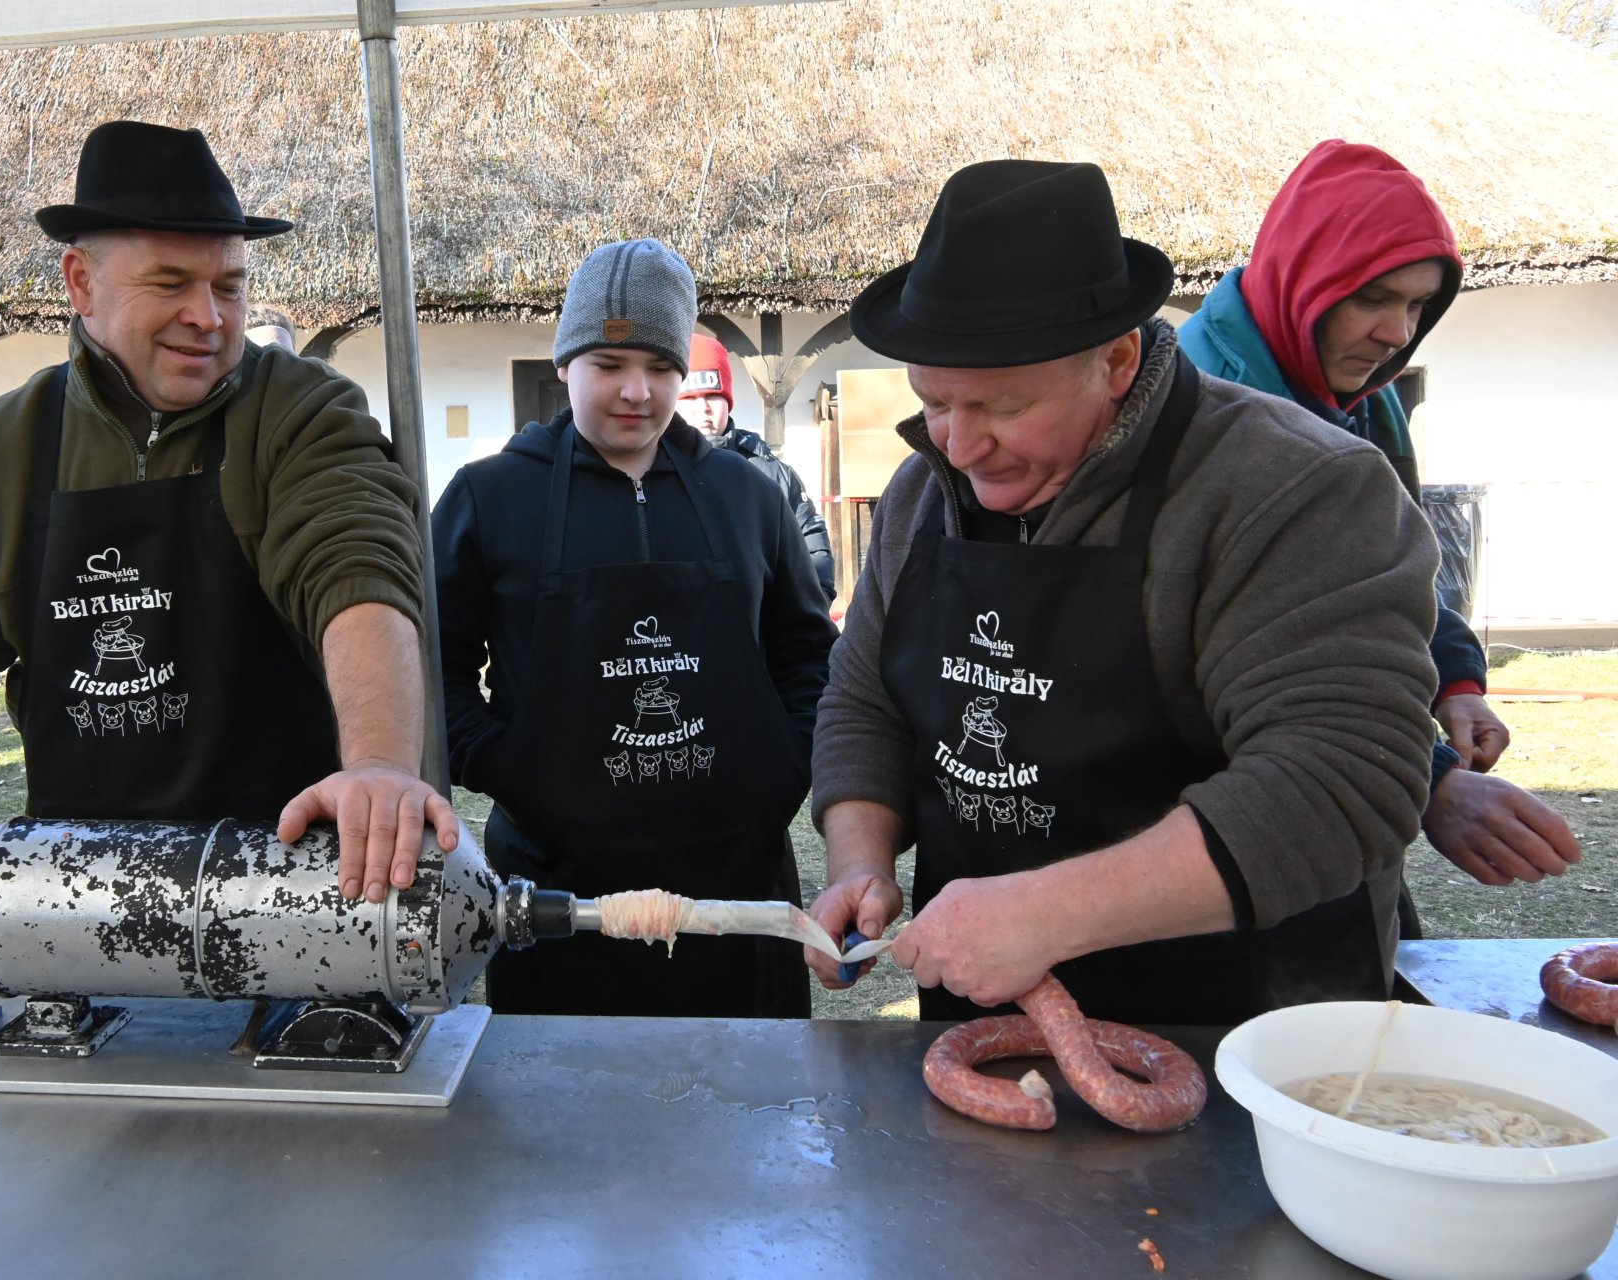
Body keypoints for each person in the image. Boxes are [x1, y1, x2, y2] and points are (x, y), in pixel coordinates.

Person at [0, 120, 453, 1039]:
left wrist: (374, 764)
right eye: (170, 284)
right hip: (80, 915)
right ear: (81, 284)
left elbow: (357, 573)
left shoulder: (302, 414)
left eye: (228, 286)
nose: (208, 316)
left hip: (305, 903)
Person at [803, 160, 1441, 1025]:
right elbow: (865, 699)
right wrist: (858, 862)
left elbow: (1335, 782)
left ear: (1115, 360)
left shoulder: (1298, 489)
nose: (958, 445)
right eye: (935, 402)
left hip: (1247, 1026)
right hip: (988, 1025)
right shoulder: (923, 494)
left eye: (1001, 407)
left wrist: (1044, 916)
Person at [432, 239, 837, 1017]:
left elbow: (807, 655)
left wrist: (781, 769)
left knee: (746, 1118)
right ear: (564, 365)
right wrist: (504, 765)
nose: (636, 392)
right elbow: (434, 664)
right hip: (559, 895)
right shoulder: (489, 497)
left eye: (658, 366)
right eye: (608, 366)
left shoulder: (747, 496)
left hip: (738, 890)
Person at [1177, 139, 1578, 889]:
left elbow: (1391, 566)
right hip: (1219, 818)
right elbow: (1276, 641)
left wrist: (1454, 682)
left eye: (1417, 303)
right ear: (1305, 278)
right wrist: (1431, 780)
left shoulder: (1368, 399)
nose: (1398, 333)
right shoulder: (1198, 406)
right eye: (1372, 297)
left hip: (1348, 804)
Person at [677, 334, 837, 601]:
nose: (703, 408)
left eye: (712, 396)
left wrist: (812, 608)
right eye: (690, 398)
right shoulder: (652, 469)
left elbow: (812, 547)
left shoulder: (771, 472)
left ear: (728, 400)